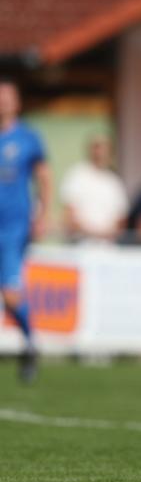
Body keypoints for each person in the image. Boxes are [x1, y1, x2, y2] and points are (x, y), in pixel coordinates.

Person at [0, 78, 52, 383]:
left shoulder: (28, 138)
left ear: (17, 103)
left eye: (7, 97)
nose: (2, 102)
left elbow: (44, 177)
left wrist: (42, 214)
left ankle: (30, 344)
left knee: (10, 294)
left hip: (13, 228)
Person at [60, 135, 128, 243]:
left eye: (104, 148)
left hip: (108, 248)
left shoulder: (114, 183)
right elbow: (69, 214)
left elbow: (121, 221)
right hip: (80, 245)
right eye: (97, 147)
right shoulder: (76, 175)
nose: (100, 152)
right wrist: (92, 232)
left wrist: (104, 234)